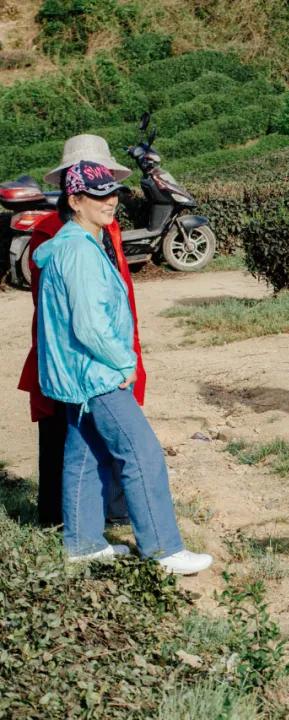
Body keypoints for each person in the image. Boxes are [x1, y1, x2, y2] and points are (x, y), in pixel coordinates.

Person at [34, 160, 212, 575]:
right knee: (142, 452)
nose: (109, 201)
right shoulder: (79, 250)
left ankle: (82, 544)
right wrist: (124, 362)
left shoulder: (73, 241)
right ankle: (163, 550)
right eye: (98, 195)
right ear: (75, 200)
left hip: (78, 375)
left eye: (112, 192)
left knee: (86, 453)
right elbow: (90, 324)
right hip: (97, 373)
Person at [17, 135, 143, 528]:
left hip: (109, 341)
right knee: (66, 432)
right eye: (90, 180)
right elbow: (59, 308)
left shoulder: (107, 225)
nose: (102, 190)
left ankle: (105, 512)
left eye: (104, 179)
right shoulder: (55, 233)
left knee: (102, 437)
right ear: (73, 190)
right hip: (75, 349)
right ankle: (59, 518)